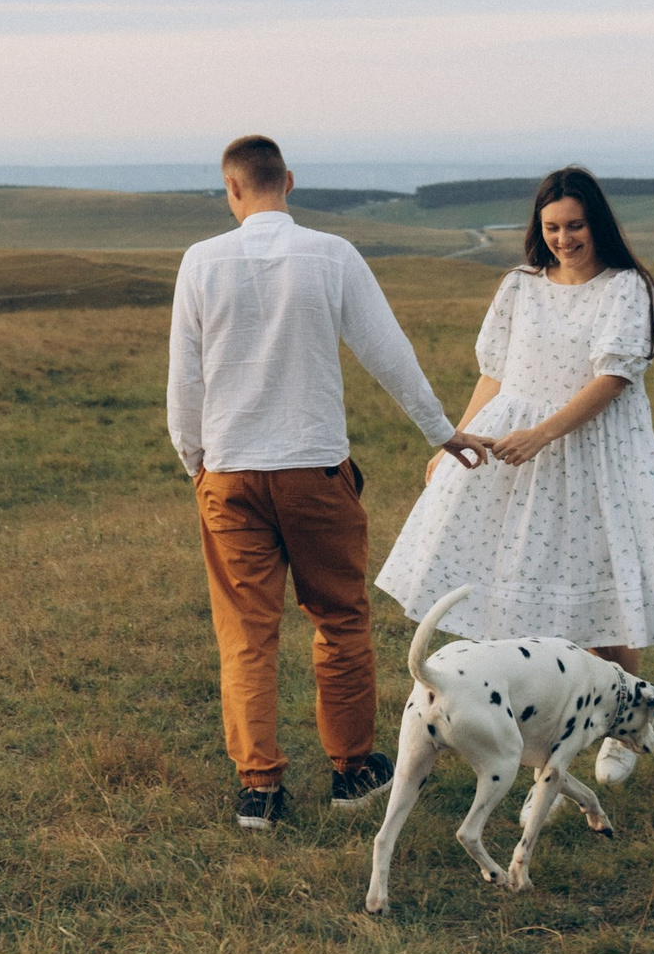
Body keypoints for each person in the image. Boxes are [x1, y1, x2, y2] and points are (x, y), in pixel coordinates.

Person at [169, 135, 488, 830]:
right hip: (314, 469)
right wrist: (441, 431)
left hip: (229, 473)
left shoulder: (199, 262)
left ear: (231, 190)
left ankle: (259, 789)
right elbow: (387, 352)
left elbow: (184, 380)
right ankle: (352, 771)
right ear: (288, 180)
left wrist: (197, 462)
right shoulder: (331, 253)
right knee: (339, 620)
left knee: (245, 634)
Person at [374, 168, 654, 755]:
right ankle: (532, 724)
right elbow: (495, 370)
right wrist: (455, 439)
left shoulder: (625, 287)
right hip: (511, 452)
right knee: (516, 597)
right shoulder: (519, 283)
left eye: (575, 225)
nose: (564, 238)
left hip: (592, 453)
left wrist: (542, 434)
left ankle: (627, 724)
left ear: (598, 225)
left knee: (606, 606)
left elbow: (613, 378)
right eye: (552, 227)